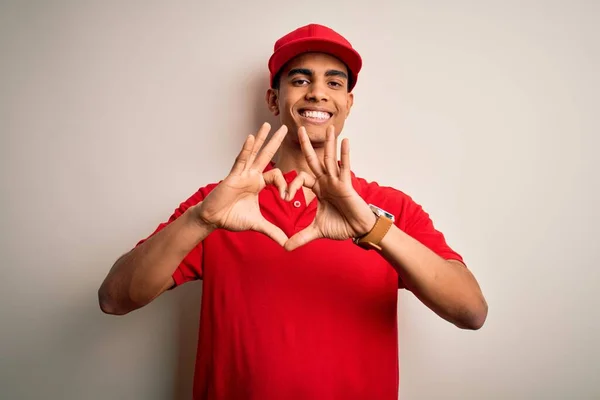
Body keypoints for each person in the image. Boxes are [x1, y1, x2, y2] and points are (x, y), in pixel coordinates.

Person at [98, 23, 488, 400]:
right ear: (273, 99)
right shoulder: (220, 203)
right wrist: (200, 219)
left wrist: (372, 228)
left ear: (348, 104)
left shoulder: (391, 208)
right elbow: (115, 298)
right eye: (300, 80)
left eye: (334, 83)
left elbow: (471, 311)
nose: (318, 93)